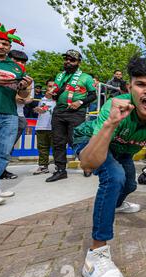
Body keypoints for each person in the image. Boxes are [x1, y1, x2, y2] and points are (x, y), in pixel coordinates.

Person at [72, 57, 146, 277]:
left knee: (130, 184)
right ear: (129, 88)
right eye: (140, 84)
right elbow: (88, 162)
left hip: (124, 150)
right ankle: (96, 254)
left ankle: (116, 203)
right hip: (95, 141)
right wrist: (111, 124)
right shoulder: (115, 106)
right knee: (114, 178)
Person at [0, 23, 33, 206]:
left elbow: (22, 95)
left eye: (5, 44)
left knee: (2, 153)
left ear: (10, 47)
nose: (1, 46)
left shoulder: (17, 68)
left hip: (9, 114)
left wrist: (24, 87)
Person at [46, 50, 97, 183]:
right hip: (59, 111)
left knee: (76, 140)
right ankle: (60, 170)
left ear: (79, 62)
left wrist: (80, 102)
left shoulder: (86, 77)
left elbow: (93, 95)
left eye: (72, 60)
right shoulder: (59, 76)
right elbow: (57, 93)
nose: (68, 61)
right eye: (66, 59)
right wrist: (52, 93)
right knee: (58, 141)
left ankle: (87, 165)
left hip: (76, 112)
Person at [1, 49, 32, 180]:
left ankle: (2, 170)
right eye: (17, 60)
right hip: (0, 111)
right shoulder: (1, 73)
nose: (20, 64)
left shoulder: (27, 78)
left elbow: (29, 98)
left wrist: (23, 96)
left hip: (17, 115)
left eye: (23, 62)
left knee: (7, 147)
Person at [33, 80, 56, 175]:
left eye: (53, 86)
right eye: (49, 86)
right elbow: (38, 110)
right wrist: (37, 109)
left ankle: (58, 166)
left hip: (54, 127)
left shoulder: (59, 100)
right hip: (41, 126)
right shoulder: (40, 99)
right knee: (42, 148)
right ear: (46, 87)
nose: (51, 88)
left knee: (56, 148)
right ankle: (43, 167)